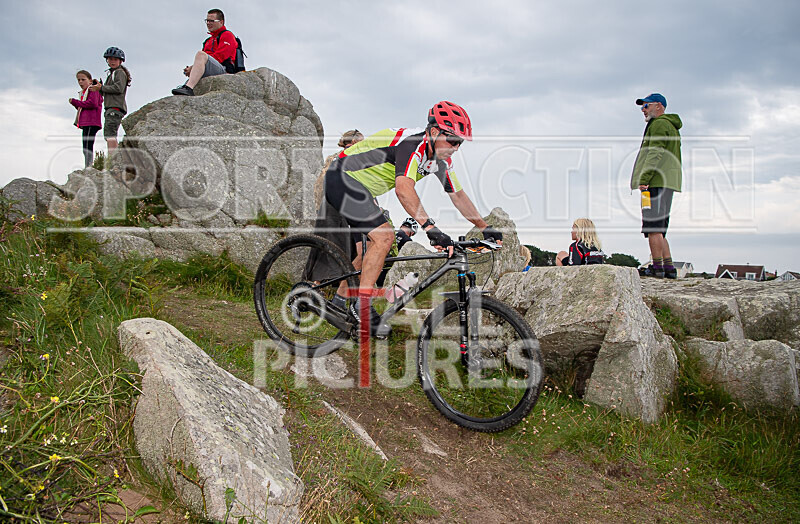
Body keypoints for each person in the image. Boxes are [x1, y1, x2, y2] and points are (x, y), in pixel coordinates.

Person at [324, 101, 503, 335]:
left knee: (370, 252)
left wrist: (484, 226)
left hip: (363, 189)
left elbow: (457, 195)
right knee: (385, 238)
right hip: (342, 178)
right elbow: (403, 188)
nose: (456, 147)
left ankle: (338, 303)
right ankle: (362, 306)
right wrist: (430, 228)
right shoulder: (412, 145)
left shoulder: (441, 161)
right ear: (434, 132)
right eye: (453, 140)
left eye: (459, 143)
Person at [630, 93, 683, 279]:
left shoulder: (659, 124)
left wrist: (644, 178)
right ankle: (668, 267)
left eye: (646, 106)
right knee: (659, 228)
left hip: (655, 181)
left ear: (658, 106)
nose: (643, 110)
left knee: (652, 227)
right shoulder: (671, 126)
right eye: (642, 107)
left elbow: (655, 152)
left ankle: (657, 267)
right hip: (667, 181)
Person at [172, 9, 239, 96]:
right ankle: (186, 87)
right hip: (213, 68)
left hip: (224, 70)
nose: (208, 23)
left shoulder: (227, 35)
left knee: (201, 54)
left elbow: (221, 57)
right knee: (201, 56)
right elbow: (204, 60)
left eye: (212, 21)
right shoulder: (208, 41)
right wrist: (192, 68)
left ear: (221, 22)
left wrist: (193, 67)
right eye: (207, 21)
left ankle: (189, 88)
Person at [89, 47, 131, 155]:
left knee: (110, 135)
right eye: (110, 59)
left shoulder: (119, 73)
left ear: (120, 61)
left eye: (115, 59)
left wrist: (101, 88)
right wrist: (99, 88)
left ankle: (113, 159)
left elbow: (118, 88)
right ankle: (114, 159)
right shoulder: (112, 74)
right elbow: (109, 91)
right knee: (110, 134)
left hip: (115, 108)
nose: (112, 61)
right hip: (112, 107)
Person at [69, 70, 103, 168]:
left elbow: (92, 104)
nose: (80, 82)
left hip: (91, 122)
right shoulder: (84, 92)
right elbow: (83, 107)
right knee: (85, 146)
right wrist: (77, 104)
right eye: (79, 80)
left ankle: (89, 167)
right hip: (86, 122)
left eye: (83, 79)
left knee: (87, 145)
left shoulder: (93, 90)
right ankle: (88, 166)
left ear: (90, 80)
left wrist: (75, 102)